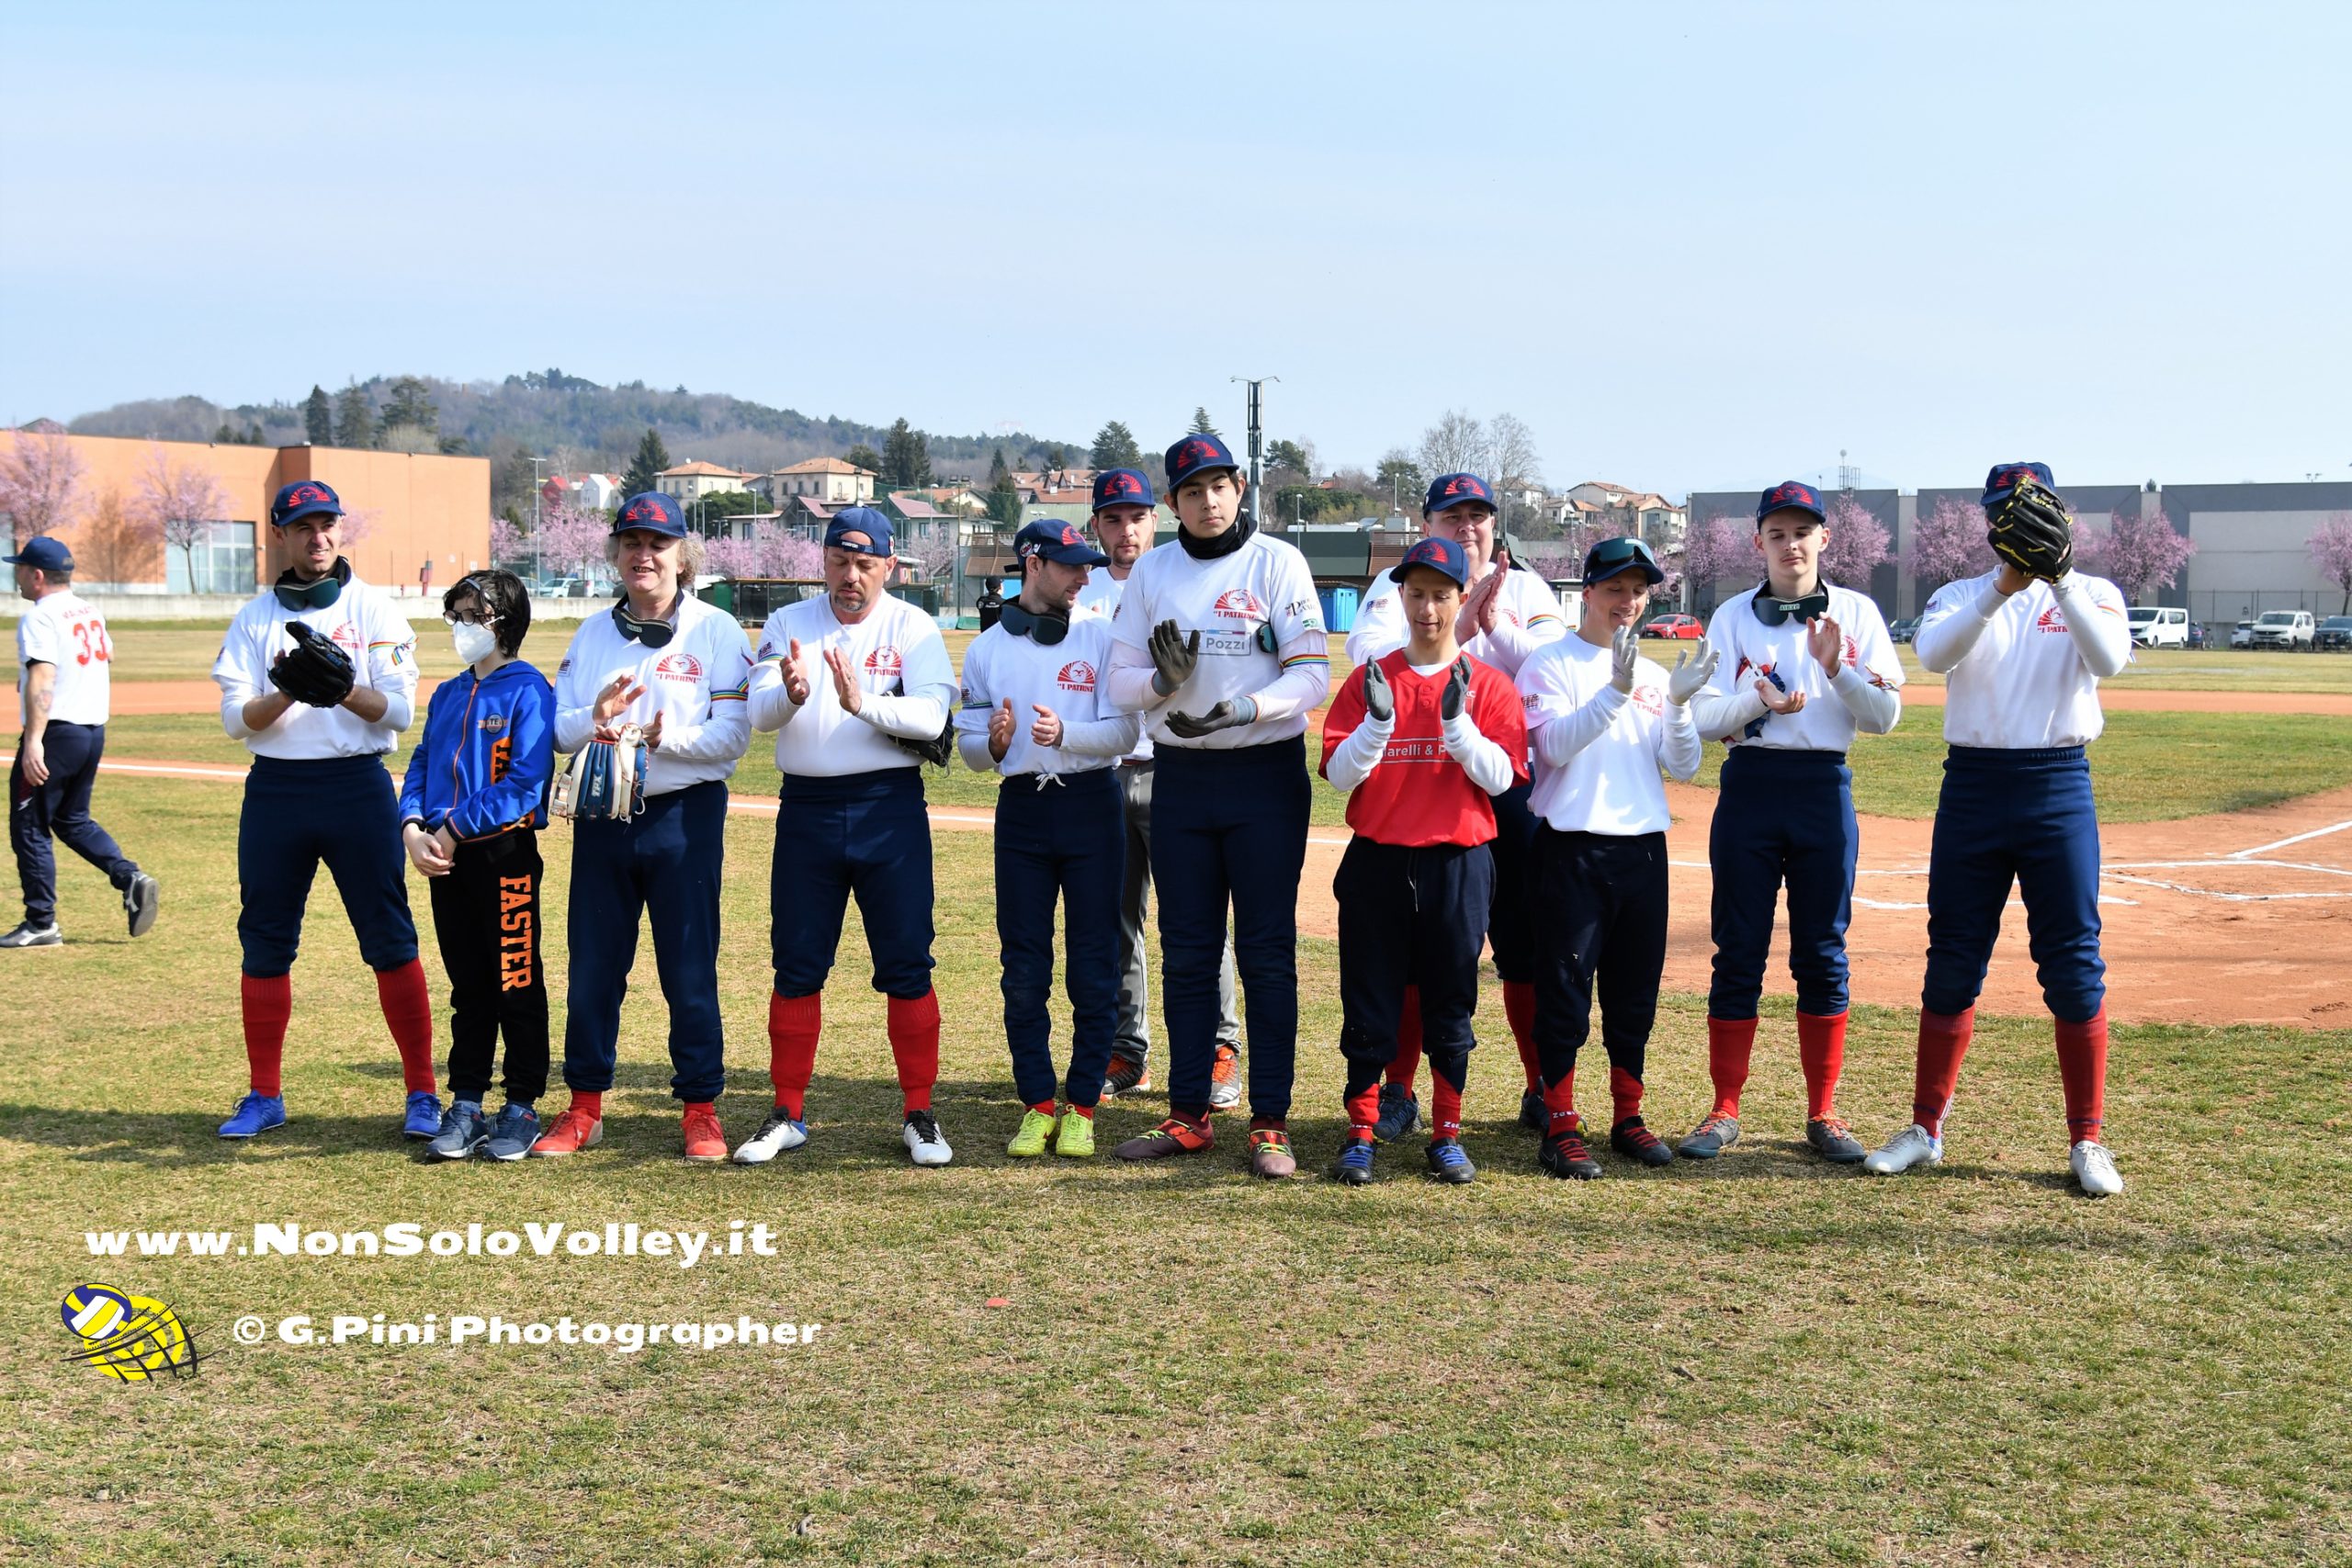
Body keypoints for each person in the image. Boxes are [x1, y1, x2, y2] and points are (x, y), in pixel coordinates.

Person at [1863, 462, 2132, 1196]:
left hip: (2058, 783)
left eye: (2029, 509)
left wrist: (2062, 578)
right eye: (2002, 512)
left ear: (2056, 511)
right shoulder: (1959, 594)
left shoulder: (2095, 591)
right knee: (1952, 956)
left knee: (2074, 962)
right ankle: (1925, 1128)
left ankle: (2088, 1139)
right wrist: (2002, 587)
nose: (2015, 524)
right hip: (1975, 785)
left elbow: (2108, 660)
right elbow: (1933, 655)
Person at [1102, 433, 1329, 1178]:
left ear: (1240, 487)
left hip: (1263, 775)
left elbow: (1310, 675)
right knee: (1190, 951)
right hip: (1182, 777)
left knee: (1266, 953)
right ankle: (1189, 1114)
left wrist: (1243, 708)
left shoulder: (1278, 561)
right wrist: (1164, 686)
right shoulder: (1155, 572)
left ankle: (1270, 1119)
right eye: (1192, 491)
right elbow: (1120, 682)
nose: (1208, 501)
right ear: (1173, 503)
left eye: (1219, 486)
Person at [1677, 480, 1904, 1164]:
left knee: (1822, 953)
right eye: (1777, 533)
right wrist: (1756, 699)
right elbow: (1703, 715)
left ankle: (1823, 1111)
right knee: (1737, 949)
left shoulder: (1858, 612)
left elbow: (1886, 718)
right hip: (1748, 787)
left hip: (1822, 789)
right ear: (1760, 542)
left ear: (1824, 538)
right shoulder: (1732, 617)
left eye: (1803, 531)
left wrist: (1838, 672)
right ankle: (1724, 1107)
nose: (1791, 543)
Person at [209, 480, 438, 1140]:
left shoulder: (375, 610)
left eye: (328, 524)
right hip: (276, 791)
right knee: (265, 943)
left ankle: (422, 1091)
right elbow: (235, 721)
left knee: (390, 939)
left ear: (341, 529)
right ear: (280, 534)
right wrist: (285, 689)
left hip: (356, 786)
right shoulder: (254, 619)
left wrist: (340, 688)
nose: (319, 537)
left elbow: (398, 711)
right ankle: (264, 1094)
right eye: (304, 526)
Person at [530, 492, 752, 1162]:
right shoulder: (591, 632)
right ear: (615, 553)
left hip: (683, 816)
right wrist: (593, 720)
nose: (643, 554)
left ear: (683, 555)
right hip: (603, 816)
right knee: (594, 967)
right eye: (631, 541)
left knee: (688, 969)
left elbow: (733, 738)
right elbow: (557, 728)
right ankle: (584, 1106)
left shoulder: (716, 630)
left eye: (657, 543)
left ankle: (701, 1108)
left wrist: (667, 740)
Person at [1342, 472, 1566, 1138]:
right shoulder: (1398, 589)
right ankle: (1400, 1091)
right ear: (1427, 523)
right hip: (1422, 785)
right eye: (1452, 516)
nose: (1467, 527)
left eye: (1479, 516)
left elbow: (1555, 669)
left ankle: (1538, 1086)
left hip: (1504, 779)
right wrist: (1462, 625)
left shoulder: (1526, 588)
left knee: (1524, 944)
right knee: (1417, 947)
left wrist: (1493, 629)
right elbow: (1373, 662)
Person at [740, 506, 959, 1168]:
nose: (851, 575)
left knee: (907, 962)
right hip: (806, 809)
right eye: (840, 560)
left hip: (887, 808)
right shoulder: (789, 624)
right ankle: (788, 1111)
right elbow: (759, 711)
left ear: (890, 566)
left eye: (866, 564)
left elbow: (932, 714)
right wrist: (794, 693)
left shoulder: (913, 626)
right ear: (823, 560)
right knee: (797, 963)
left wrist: (865, 703)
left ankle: (919, 1111)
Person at [1320, 536, 1527, 1185]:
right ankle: (1361, 1130)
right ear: (1400, 596)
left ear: (1463, 598)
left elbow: (1502, 780)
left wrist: (1459, 726)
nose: (1429, 609)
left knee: (1450, 1001)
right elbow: (1337, 773)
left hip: (1457, 863)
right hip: (1379, 859)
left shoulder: (1487, 684)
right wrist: (1378, 724)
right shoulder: (1371, 678)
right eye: (1417, 594)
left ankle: (1446, 1131)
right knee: (1370, 999)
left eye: (1442, 595)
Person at [1515, 536, 1708, 1179]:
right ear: (1589, 591)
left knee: (1634, 996)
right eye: (1616, 588)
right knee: (1565, 993)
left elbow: (1680, 765)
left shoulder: (1654, 676)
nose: (1628, 601)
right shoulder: (1550, 664)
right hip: (1571, 850)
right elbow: (1555, 749)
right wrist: (1614, 691)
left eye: (1639, 590)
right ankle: (1562, 1124)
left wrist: (1676, 703)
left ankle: (1628, 1115)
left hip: (1643, 853)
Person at [956, 519, 1140, 1156]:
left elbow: (1123, 734)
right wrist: (996, 744)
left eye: (1088, 564)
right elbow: (973, 751)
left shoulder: (1101, 636)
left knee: (1094, 966)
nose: (1084, 575)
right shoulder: (985, 650)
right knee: (1024, 967)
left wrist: (1066, 735)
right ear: (1032, 563)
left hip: (1093, 805)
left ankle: (1083, 1103)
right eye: (1071, 564)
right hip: (1022, 814)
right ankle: (1036, 1102)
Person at [1075, 468, 1245, 1107]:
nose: (1126, 529)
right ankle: (1129, 1050)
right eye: (1112, 518)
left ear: (1157, 517)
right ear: (1096, 524)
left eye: (1136, 516)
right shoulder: (1080, 587)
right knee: (1117, 921)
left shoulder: (1181, 575)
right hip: (1102, 775)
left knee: (1198, 921)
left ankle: (1219, 1050)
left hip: (1176, 767)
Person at [396, 570, 556, 1162]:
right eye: (456, 616)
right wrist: (413, 825)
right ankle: (465, 1099)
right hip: (444, 856)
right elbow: (421, 760)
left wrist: (455, 827)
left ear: (504, 622)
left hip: (502, 856)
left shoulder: (528, 689)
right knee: (468, 985)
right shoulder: (447, 692)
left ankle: (521, 1104)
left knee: (515, 979)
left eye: (472, 616)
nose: (461, 628)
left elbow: (525, 783)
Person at [5, 535, 157, 949]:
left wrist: (33, 740)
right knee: (72, 819)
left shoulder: (39, 616)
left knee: (29, 825)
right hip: (91, 732)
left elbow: (43, 676)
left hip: (57, 732)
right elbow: (108, 654)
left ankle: (41, 923)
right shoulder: (89, 610)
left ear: (36, 575)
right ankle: (130, 877)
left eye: (19, 568)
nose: (15, 574)